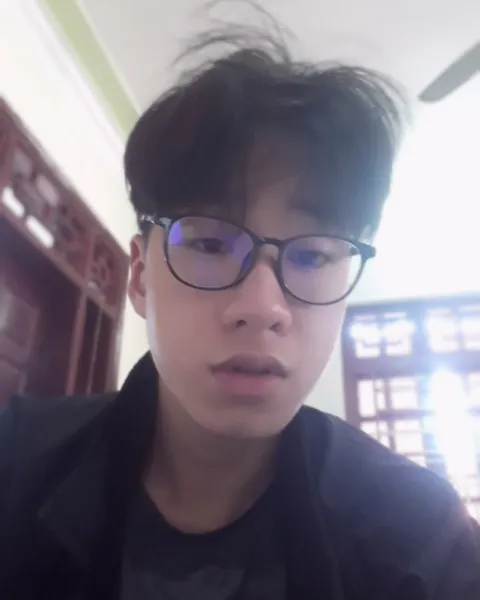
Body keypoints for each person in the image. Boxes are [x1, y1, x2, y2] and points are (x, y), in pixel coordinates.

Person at [1, 24, 479, 600]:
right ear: (140, 275)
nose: (262, 309)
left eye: (312, 255)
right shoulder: (16, 464)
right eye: (208, 244)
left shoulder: (418, 536)